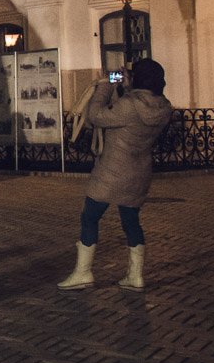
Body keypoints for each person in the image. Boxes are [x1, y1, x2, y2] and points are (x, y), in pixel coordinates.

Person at [58, 59, 172, 293]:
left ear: (138, 78)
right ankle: (135, 275)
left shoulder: (129, 105)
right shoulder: (163, 106)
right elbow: (137, 109)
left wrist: (104, 86)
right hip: (139, 174)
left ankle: (83, 272)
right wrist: (130, 87)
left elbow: (95, 116)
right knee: (131, 221)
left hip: (112, 172)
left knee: (89, 217)